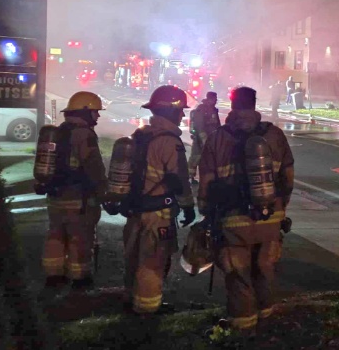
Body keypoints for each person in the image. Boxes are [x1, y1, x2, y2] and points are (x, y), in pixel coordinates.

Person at [198, 86, 294, 334]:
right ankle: (267, 324)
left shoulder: (218, 138)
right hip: (270, 219)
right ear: (254, 104)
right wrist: (279, 208)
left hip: (233, 222)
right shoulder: (274, 136)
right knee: (264, 270)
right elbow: (287, 177)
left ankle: (243, 330)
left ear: (232, 106)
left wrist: (207, 213)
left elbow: (206, 180)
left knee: (238, 275)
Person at [122, 85, 195, 315]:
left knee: (133, 257)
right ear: (171, 112)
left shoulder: (140, 135)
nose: (183, 114)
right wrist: (188, 206)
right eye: (181, 110)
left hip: (134, 209)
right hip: (157, 214)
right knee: (152, 261)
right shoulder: (170, 142)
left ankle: (130, 298)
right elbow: (179, 179)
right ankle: (147, 309)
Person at [40, 91, 108, 290]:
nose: (98, 116)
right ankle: (80, 279)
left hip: (55, 196)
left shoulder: (60, 130)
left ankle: (54, 276)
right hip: (78, 198)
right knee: (80, 238)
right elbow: (93, 166)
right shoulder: (84, 134)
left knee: (56, 235)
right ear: (85, 112)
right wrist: (103, 190)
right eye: (95, 112)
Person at [188, 91, 220, 182]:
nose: (215, 101)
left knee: (211, 159)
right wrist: (204, 139)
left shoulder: (214, 110)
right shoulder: (201, 109)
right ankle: (191, 177)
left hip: (211, 139)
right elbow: (199, 125)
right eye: (214, 99)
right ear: (209, 99)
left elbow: (217, 124)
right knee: (196, 157)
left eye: (216, 99)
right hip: (200, 139)